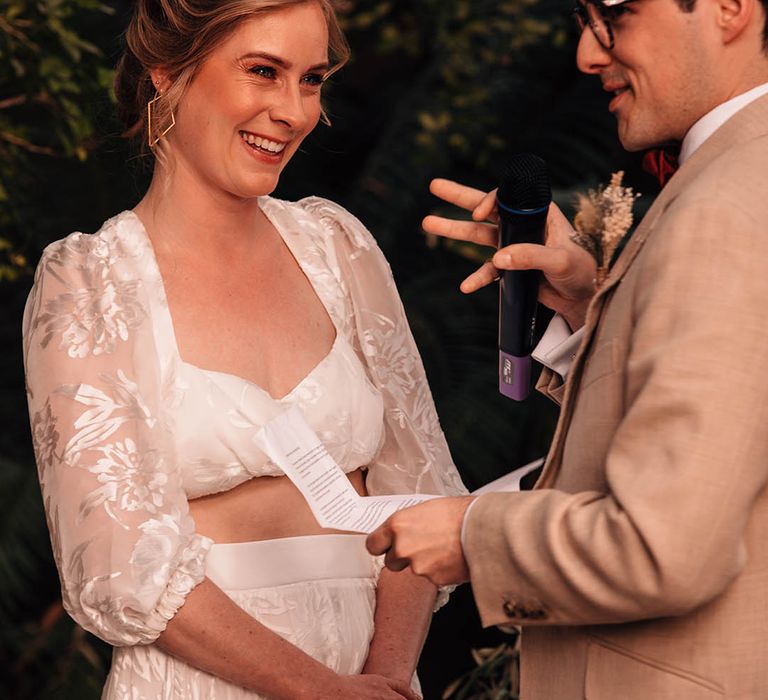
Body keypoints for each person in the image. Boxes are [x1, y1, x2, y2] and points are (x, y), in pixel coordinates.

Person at [22, 1, 466, 698]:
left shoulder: (337, 248)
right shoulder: (90, 281)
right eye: (263, 71)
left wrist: (383, 677)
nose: (292, 111)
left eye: (312, 79)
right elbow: (117, 565)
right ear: (167, 74)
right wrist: (321, 692)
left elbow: (420, 490)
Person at [367, 0, 768, 696]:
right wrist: (590, 308)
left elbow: (661, 548)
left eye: (615, 14)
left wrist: (471, 535)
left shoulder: (725, 206)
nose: (588, 54)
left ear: (729, 8)